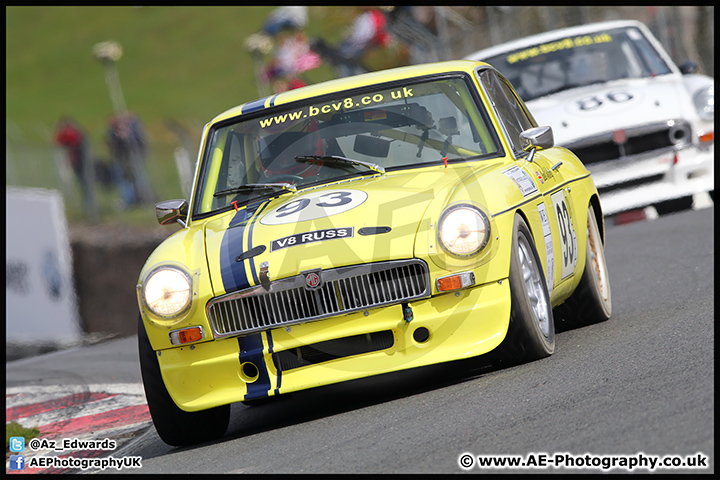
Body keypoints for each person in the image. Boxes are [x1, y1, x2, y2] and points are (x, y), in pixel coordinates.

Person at [106, 112, 153, 207]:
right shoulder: (114, 132)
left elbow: (138, 143)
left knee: (138, 178)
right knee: (124, 180)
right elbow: (111, 144)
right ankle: (129, 200)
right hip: (121, 159)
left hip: (133, 158)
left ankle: (144, 198)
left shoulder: (133, 130)